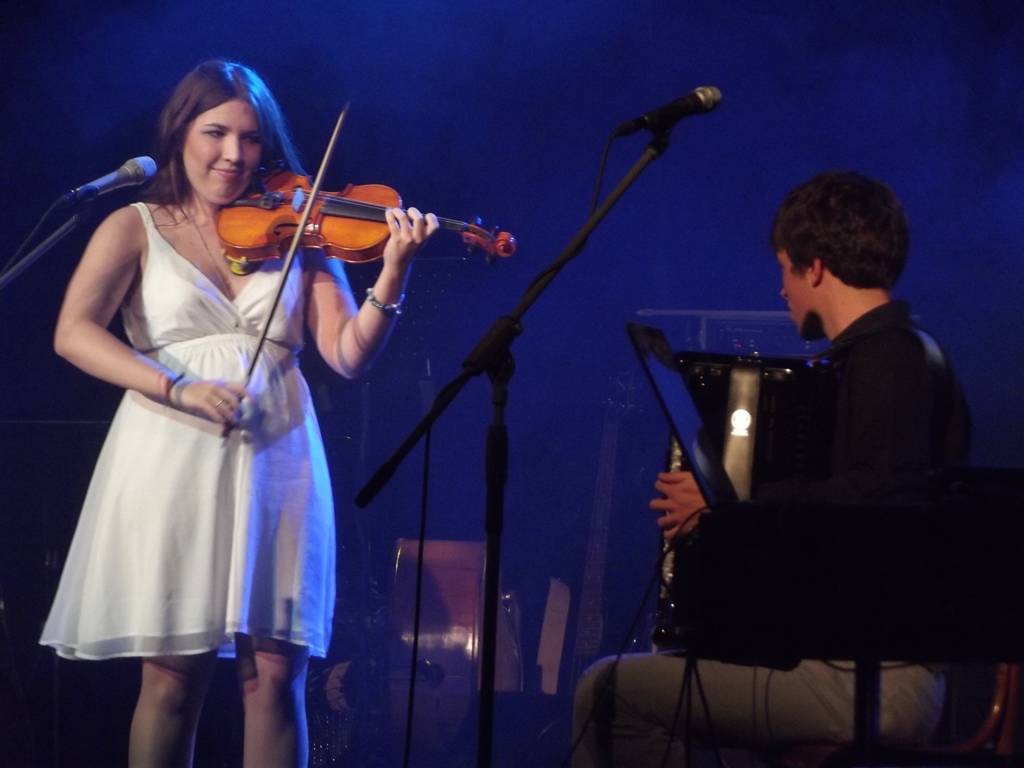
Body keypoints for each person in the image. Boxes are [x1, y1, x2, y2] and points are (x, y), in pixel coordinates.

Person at [39, 59, 438, 767]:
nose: (233, 155)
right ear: (179, 134)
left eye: (251, 139)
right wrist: (174, 386)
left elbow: (347, 354)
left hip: (277, 454)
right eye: (215, 132)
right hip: (169, 449)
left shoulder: (299, 228)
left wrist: (394, 272)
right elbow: (74, 332)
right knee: (170, 676)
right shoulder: (135, 225)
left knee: (277, 675)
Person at [573, 170, 970, 767]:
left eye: (785, 268)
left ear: (813, 266)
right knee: (685, 687)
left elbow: (881, 505)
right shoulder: (886, 353)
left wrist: (726, 507)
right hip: (848, 664)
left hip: (877, 680)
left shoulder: (894, 358)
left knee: (606, 692)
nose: (782, 289)